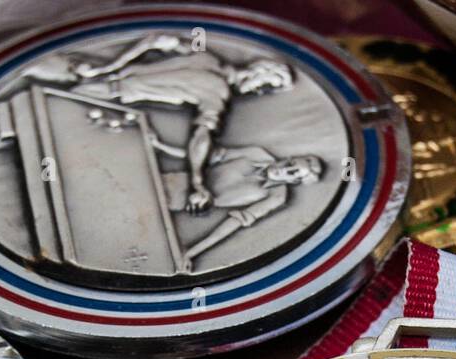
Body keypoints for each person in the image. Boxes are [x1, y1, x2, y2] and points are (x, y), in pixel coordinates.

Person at [69, 34, 293, 212]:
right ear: (257, 71)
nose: (258, 92)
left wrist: (107, 68)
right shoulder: (218, 94)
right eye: (264, 86)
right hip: (102, 99)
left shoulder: (206, 57)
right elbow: (201, 136)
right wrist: (197, 182)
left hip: (97, 82)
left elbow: (155, 39)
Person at [147, 135, 321, 267]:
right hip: (167, 179)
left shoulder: (276, 197)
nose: (284, 168)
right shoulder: (255, 153)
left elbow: (233, 224)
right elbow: (201, 154)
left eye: (292, 173)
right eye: (289, 163)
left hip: (173, 204)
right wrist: (161, 146)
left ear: (295, 182)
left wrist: (190, 253)